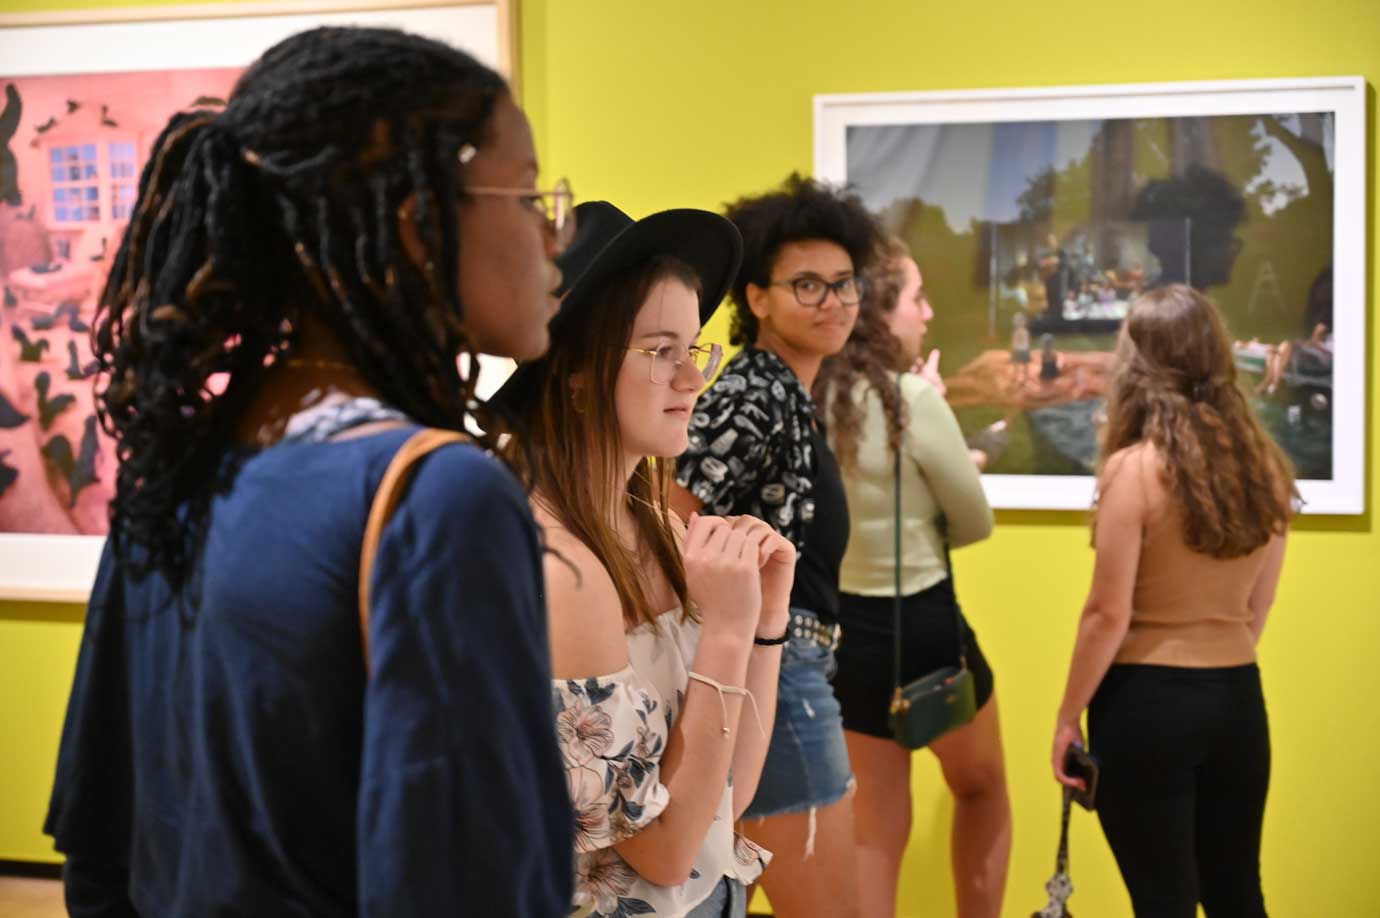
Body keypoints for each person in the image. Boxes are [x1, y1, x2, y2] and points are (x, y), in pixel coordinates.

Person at [44, 27, 575, 917]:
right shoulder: (436, 497)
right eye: (527, 195)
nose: (555, 234)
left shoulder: (180, 468)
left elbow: (102, 857)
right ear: (417, 224)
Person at [495, 200, 794, 917]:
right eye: (661, 351)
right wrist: (727, 631)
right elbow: (662, 850)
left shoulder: (656, 527)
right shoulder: (556, 567)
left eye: (694, 350)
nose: (692, 380)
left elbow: (730, 795)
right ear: (573, 372)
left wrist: (766, 619)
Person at [672, 173, 883, 918]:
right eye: (808, 286)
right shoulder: (755, 390)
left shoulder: (786, 391)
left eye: (844, 284)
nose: (834, 303)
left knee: (716, 897)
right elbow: (669, 507)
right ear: (756, 297)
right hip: (777, 669)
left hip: (780, 667)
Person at [1051, 284, 1294, 917]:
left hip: (1145, 704)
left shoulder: (1133, 469)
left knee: (1163, 902)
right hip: (1238, 701)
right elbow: (1257, 609)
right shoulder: (1265, 469)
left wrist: (1066, 717)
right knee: (1238, 892)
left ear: (1138, 365)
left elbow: (1108, 615)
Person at [817, 240, 1009, 918]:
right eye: (916, 298)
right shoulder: (911, 401)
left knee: (874, 835)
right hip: (923, 623)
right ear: (878, 313)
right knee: (983, 789)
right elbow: (975, 522)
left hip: (844, 633)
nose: (927, 314)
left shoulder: (813, 394)